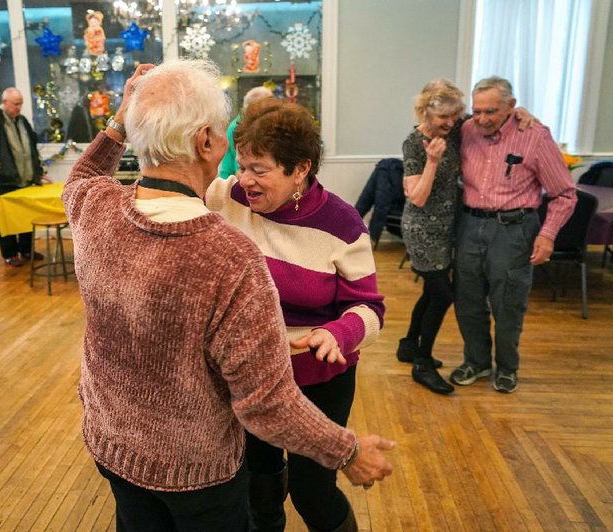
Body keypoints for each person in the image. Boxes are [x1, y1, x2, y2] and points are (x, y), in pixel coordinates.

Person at [62, 60, 395, 532]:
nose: (244, 175)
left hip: (114, 444)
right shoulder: (229, 253)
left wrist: (123, 118)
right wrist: (351, 452)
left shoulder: (93, 204)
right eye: (224, 136)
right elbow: (265, 403)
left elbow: (80, 176)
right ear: (204, 142)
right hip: (194, 468)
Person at [205, 98, 385, 531]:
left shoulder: (341, 224)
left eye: (260, 169)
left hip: (318, 379)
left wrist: (338, 334)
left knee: (312, 492)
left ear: (300, 169)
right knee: (259, 483)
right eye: (242, 164)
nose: (244, 179)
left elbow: (370, 308)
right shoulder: (227, 198)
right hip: (252, 377)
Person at [451, 76, 577, 393]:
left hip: (514, 229)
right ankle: (476, 361)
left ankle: (507, 367)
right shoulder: (467, 130)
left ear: (511, 106)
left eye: (490, 111)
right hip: (469, 224)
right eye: (476, 110)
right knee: (467, 299)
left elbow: (564, 193)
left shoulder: (534, 136)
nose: (481, 119)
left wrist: (547, 235)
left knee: (508, 302)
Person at [398, 79, 465, 395]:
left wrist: (522, 115)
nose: (450, 123)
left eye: (455, 116)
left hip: (447, 228)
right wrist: (433, 162)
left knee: (429, 291)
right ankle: (422, 364)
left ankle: (409, 345)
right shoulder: (414, 143)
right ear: (425, 111)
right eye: (443, 118)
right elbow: (419, 198)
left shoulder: (455, 132)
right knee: (443, 294)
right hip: (422, 230)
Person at [0, 87, 47, 267]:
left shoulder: (22, 121)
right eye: (16, 104)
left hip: (26, 180)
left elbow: (32, 149)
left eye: (21, 103)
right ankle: (9, 253)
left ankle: (26, 250)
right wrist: (0, 170)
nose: (19, 107)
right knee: (7, 218)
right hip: (6, 181)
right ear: (5, 102)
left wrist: (38, 172)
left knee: (25, 217)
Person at [218, 85, 273, 179]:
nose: (274, 105)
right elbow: (243, 164)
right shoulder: (241, 126)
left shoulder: (246, 123)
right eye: (270, 101)